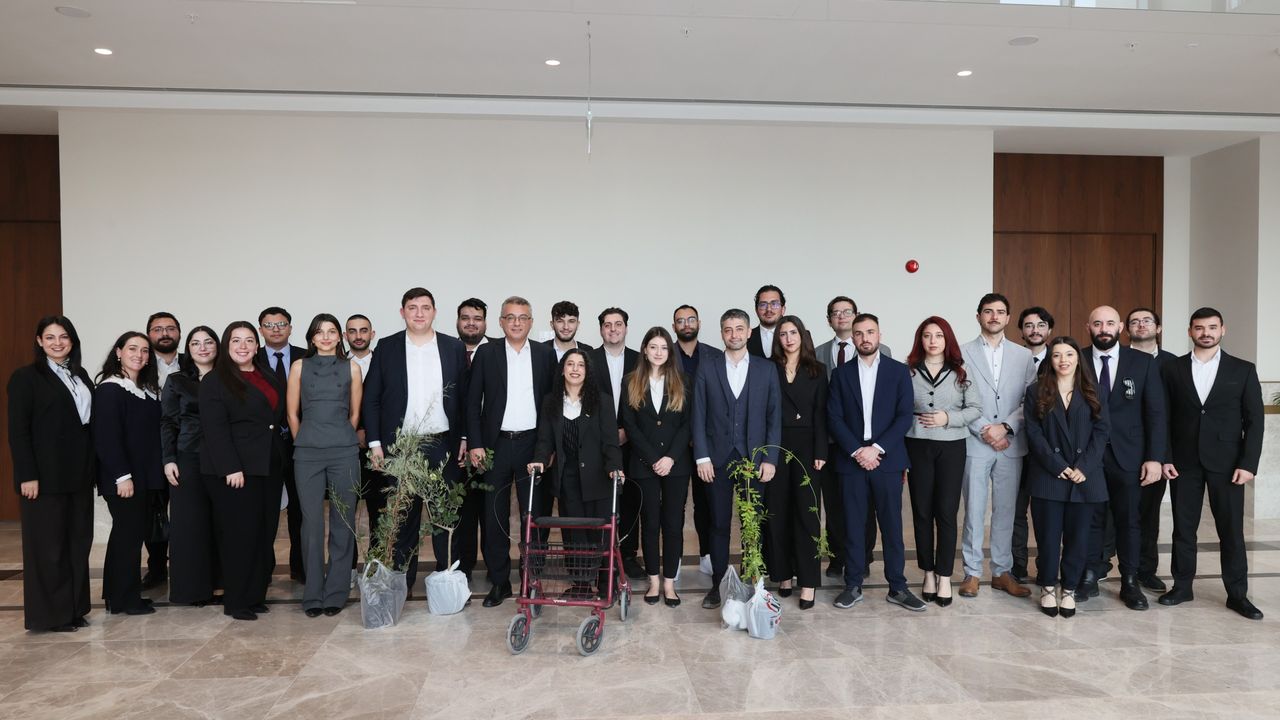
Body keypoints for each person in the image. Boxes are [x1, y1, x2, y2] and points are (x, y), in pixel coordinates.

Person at [1158, 308, 1264, 620]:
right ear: (1190, 331)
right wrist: (1166, 457)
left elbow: (1255, 421)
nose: (1206, 333)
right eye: (1200, 328)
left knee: (1231, 531)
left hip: (1228, 464)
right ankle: (1182, 587)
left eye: (1212, 327)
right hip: (1184, 462)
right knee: (1183, 528)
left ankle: (1238, 594)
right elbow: (1163, 417)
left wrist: (1248, 463)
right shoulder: (1172, 369)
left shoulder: (1243, 369)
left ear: (1222, 330)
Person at [362, 289, 469, 592]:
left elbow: (465, 398)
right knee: (404, 519)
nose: (419, 313)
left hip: (443, 444)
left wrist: (464, 436)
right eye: (412, 307)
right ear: (402, 312)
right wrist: (375, 444)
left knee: (445, 518)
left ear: (435, 311)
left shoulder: (453, 347)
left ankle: (447, 584)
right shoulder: (387, 347)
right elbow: (372, 399)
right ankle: (402, 587)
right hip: (402, 447)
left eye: (425, 307)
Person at [828, 314, 924, 612]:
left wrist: (877, 449)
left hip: (888, 460)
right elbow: (834, 417)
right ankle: (853, 584)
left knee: (892, 526)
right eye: (858, 333)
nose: (865, 338)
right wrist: (858, 450)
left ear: (880, 334)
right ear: (853, 338)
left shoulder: (899, 371)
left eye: (870, 332)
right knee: (853, 525)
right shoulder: (840, 374)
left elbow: (904, 416)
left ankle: (897, 587)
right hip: (852, 460)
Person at [467, 297, 557, 607]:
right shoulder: (486, 353)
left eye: (522, 317)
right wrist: (475, 443)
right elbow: (472, 402)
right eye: (510, 317)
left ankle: (532, 578)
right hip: (496, 446)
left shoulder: (545, 355)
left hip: (533, 445)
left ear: (531, 322)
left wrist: (548, 448)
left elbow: (552, 405)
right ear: (501, 322)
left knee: (535, 516)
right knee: (495, 516)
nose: (516, 322)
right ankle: (500, 581)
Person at [6, 316, 94, 632]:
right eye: (50, 337)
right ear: (39, 341)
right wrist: (26, 475)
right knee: (48, 548)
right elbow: (18, 432)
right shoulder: (25, 378)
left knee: (77, 543)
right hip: (44, 478)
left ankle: (74, 608)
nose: (58, 343)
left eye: (64, 337)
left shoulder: (80, 374)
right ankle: (50, 616)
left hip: (79, 475)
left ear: (73, 341)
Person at [692, 308, 781, 609]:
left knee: (751, 524)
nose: (734, 334)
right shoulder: (708, 367)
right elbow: (698, 414)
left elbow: (773, 417)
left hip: (754, 459)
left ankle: (752, 582)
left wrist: (770, 458)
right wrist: (702, 457)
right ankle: (719, 585)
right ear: (722, 333)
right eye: (728, 329)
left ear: (748, 332)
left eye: (739, 328)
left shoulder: (766, 369)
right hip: (716, 460)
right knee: (718, 524)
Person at [1080, 305, 1166, 611]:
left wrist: (1155, 457)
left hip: (1129, 456)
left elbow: (1155, 413)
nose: (1104, 329)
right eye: (1097, 323)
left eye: (1110, 323)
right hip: (1087, 455)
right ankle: (1089, 574)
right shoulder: (1075, 359)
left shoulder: (1142, 362)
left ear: (1120, 328)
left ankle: (1129, 580)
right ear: (1088, 327)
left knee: (1130, 520)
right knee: (1091, 518)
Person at [200, 321, 288, 621]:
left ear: (257, 344)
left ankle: (254, 595)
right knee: (240, 536)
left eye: (249, 340)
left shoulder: (266, 374)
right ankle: (236, 601)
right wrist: (231, 468)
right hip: (237, 471)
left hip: (268, 466)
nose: (243, 346)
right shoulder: (215, 380)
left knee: (263, 533)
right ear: (226, 345)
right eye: (236, 340)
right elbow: (215, 430)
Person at [1023, 336, 1110, 619]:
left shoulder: (1094, 390)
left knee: (1078, 539)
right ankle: (1048, 586)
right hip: (1049, 476)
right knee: (1048, 539)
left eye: (1069, 354)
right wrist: (1056, 464)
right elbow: (1033, 433)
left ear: (1078, 359)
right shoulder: (1036, 391)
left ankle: (1069, 589)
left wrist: (1084, 466)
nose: (1063, 360)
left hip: (1084, 477)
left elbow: (1102, 432)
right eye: (1057, 355)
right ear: (1050, 360)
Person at [958, 293, 1036, 599]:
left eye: (1000, 312)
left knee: (1006, 511)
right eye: (988, 311)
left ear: (1007, 318)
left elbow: (1030, 400)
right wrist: (985, 430)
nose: (994, 316)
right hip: (976, 443)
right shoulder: (961, 352)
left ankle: (1002, 572)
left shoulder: (1023, 356)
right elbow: (959, 397)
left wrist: (1005, 427)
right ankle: (972, 572)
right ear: (978, 316)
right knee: (974, 510)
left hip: (1011, 443)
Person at [528, 350, 625, 594]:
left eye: (580, 365)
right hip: (567, 479)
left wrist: (615, 467)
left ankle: (606, 584)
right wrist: (539, 461)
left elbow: (610, 442)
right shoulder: (551, 401)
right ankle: (581, 584)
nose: (575, 369)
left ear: (587, 371)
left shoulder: (602, 401)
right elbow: (544, 440)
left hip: (599, 477)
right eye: (570, 364)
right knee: (574, 535)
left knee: (601, 535)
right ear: (562, 370)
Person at [288, 314, 363, 617]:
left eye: (332, 331)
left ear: (340, 336)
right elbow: (292, 413)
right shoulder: (299, 366)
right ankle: (313, 593)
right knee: (311, 525)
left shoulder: (352, 368)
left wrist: (339, 438)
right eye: (320, 332)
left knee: (343, 522)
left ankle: (336, 592)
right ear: (311, 337)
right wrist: (306, 440)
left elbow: (355, 414)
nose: (326, 337)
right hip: (307, 453)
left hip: (344, 451)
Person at [814, 296, 892, 583]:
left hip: (867, 446)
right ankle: (837, 557)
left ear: (856, 316)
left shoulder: (883, 351)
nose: (842, 316)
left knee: (866, 505)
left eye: (847, 312)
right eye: (835, 313)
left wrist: (869, 448)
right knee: (835, 504)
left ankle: (864, 557)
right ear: (829, 320)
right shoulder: (818, 352)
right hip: (832, 442)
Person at [904, 316, 979, 608]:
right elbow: (899, 407)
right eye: (927, 335)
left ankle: (945, 575)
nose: (933, 341)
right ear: (920, 340)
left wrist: (948, 417)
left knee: (947, 512)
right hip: (917, 445)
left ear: (947, 339)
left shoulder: (961, 371)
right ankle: (928, 573)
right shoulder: (908, 371)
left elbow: (975, 408)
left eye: (938, 335)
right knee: (922, 511)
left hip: (952, 446)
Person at [93, 331, 165, 616]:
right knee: (128, 537)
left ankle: (118, 595)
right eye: (132, 349)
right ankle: (126, 599)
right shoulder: (110, 389)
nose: (139, 355)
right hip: (124, 478)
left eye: (145, 351)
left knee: (128, 536)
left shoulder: (146, 390)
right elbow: (106, 438)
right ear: (119, 352)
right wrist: (122, 476)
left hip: (143, 476)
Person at [619, 327, 691, 608]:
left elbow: (687, 424)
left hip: (676, 464)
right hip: (643, 464)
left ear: (669, 352)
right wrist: (653, 458)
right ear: (645, 350)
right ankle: (653, 581)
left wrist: (670, 457)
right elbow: (630, 425)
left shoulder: (683, 381)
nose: (658, 352)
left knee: (672, 524)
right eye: (653, 347)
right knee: (649, 523)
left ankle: (669, 582)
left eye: (663, 347)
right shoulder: (631, 381)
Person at [160, 325, 222, 607]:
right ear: (188, 349)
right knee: (190, 526)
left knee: (220, 524)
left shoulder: (227, 378)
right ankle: (192, 590)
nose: (203, 348)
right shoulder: (177, 381)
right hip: (188, 457)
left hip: (223, 459)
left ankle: (220, 585)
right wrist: (169, 459)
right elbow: (168, 422)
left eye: (208, 342)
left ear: (217, 346)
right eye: (196, 343)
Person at [768, 316, 827, 610]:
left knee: (807, 515)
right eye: (783, 334)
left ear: (802, 336)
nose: (789, 338)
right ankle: (783, 575)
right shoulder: (769, 368)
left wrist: (821, 451)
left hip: (807, 448)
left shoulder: (817, 370)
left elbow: (821, 413)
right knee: (777, 512)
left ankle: (808, 581)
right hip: (776, 445)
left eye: (793, 333)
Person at [1125, 306, 1178, 592]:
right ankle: (1102, 566)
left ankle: (1146, 570)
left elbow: (1174, 415)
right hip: (1120, 450)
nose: (1141, 325)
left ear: (1158, 328)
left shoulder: (1174, 364)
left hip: (1157, 453)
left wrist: (1163, 456)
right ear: (1127, 329)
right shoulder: (1118, 358)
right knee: (1108, 513)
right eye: (1135, 321)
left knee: (1148, 514)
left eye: (1147, 320)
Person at [590, 308, 641, 577]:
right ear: (601, 329)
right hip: (598, 444)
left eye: (618, 324)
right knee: (602, 502)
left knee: (630, 500)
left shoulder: (640, 359)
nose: (613, 329)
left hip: (633, 442)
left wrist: (628, 431)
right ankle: (601, 560)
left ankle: (629, 556)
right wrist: (610, 434)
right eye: (607, 324)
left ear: (626, 328)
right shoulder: (588, 359)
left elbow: (646, 401)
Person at [672, 304, 722, 577]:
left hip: (708, 442)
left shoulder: (715, 356)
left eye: (691, 319)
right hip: (675, 443)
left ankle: (707, 555)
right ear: (674, 327)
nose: (686, 324)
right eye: (681, 321)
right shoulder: (665, 354)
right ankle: (675, 560)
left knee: (707, 503)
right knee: (675, 504)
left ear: (699, 323)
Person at [258, 306, 306, 583]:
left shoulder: (307, 357)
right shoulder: (251, 358)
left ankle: (300, 568)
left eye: (281, 324)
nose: (275, 329)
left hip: (302, 444)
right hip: (265, 447)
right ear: (260, 329)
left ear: (290, 328)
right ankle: (264, 569)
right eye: (269, 325)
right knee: (266, 511)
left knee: (301, 509)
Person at [1012, 305, 1054, 583]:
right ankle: (1017, 566)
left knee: (1046, 512)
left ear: (1049, 329)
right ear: (1021, 331)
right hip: (1016, 444)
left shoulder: (1062, 357)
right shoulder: (1012, 359)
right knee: (1016, 510)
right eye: (1028, 325)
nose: (1035, 330)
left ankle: (1046, 567)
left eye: (1040, 325)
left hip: (1049, 449)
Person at [144, 310, 182, 589]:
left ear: (179, 333)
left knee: (186, 513)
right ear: (149, 335)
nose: (164, 333)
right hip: (151, 451)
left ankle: (185, 567)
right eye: (158, 329)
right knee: (154, 513)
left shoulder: (191, 364)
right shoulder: (139, 364)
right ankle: (156, 567)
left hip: (186, 449)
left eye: (170, 328)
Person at [746, 285, 785, 359]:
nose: (769, 309)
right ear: (756, 310)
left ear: (783, 309)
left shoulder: (800, 336)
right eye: (763, 305)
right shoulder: (745, 338)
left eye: (774, 304)